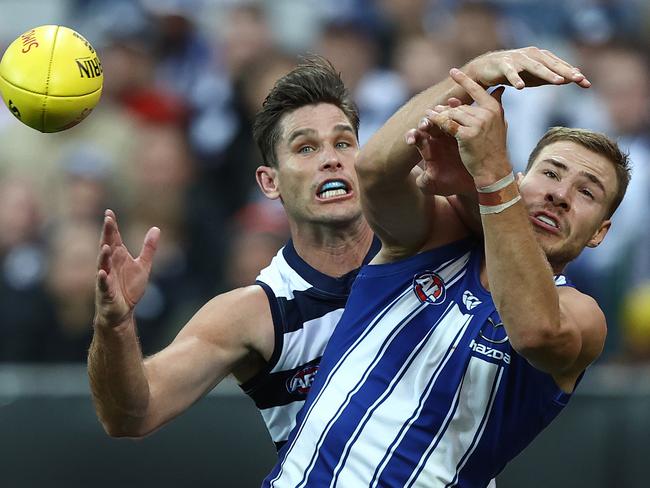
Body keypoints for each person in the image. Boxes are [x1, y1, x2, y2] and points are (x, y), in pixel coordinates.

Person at [88, 48, 593, 454]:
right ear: (270, 182)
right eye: (306, 149)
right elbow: (132, 415)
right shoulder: (256, 313)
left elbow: (536, 237)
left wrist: (477, 80)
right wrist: (115, 326)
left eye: (345, 143)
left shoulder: (446, 236)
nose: (331, 160)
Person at [263, 67, 630, 486]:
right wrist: (473, 72)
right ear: (523, 181)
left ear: (600, 232)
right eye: (550, 173)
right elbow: (375, 172)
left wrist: (489, 178)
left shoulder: (582, 315)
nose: (559, 195)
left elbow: (535, 333)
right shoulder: (435, 238)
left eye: (587, 192)